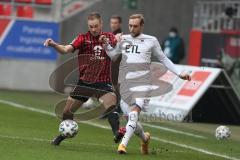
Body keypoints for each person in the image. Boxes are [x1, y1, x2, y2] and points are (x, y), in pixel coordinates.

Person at [101, 14, 191, 154]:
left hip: (143, 83)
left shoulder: (151, 40)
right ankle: (144, 138)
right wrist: (105, 45)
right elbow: (113, 56)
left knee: (134, 113)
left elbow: (164, 59)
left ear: (142, 26)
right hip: (125, 84)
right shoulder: (123, 39)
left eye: (135, 26)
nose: (131, 28)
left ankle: (122, 145)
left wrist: (179, 73)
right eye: (130, 25)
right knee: (132, 119)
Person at [44, 12, 124, 145]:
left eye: (96, 26)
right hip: (85, 83)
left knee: (111, 105)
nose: (93, 29)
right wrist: (53, 44)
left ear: (101, 24)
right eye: (91, 26)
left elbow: (118, 50)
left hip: (103, 82)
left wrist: (120, 40)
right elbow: (65, 49)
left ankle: (117, 133)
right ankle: (63, 135)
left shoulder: (110, 37)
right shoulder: (82, 38)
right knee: (67, 112)